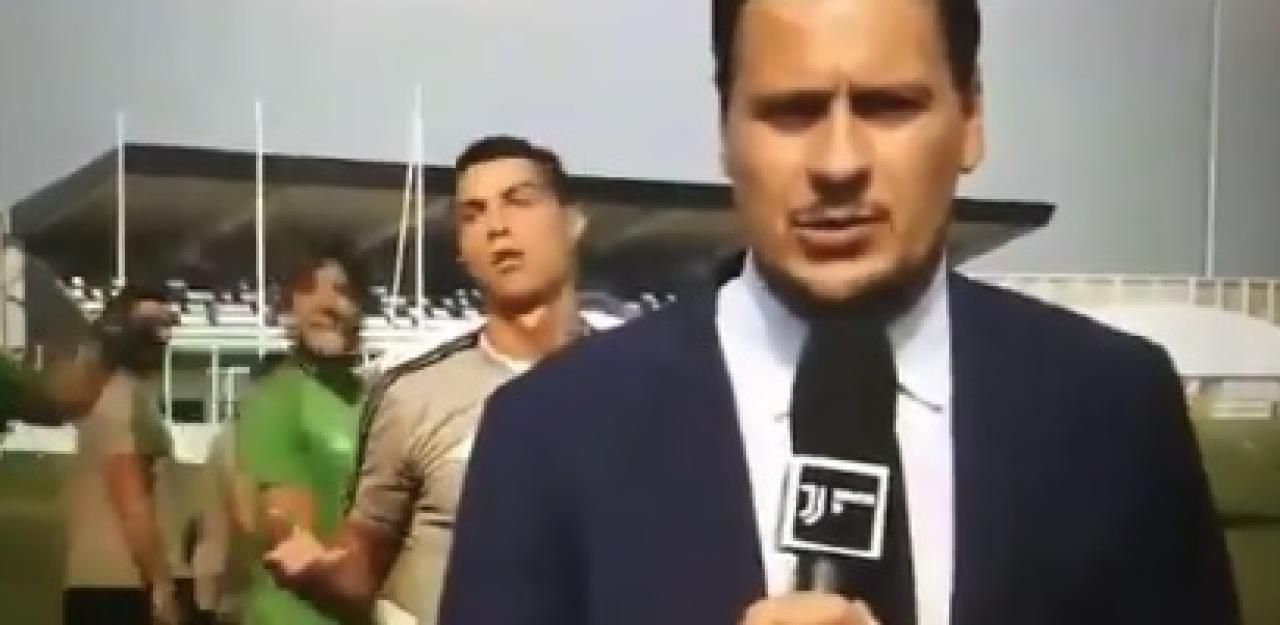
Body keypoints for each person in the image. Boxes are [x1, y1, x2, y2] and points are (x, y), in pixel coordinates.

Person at [438, 1, 1240, 625]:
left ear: (971, 119)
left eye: (889, 106)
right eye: (791, 111)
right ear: (725, 130)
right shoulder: (549, 433)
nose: (838, 162)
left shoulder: (1111, 408)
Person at [261, 135, 591, 625]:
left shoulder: (641, 387)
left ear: (573, 222)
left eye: (519, 201)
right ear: (461, 249)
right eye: (472, 215)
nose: (497, 226)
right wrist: (322, 575)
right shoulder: (412, 397)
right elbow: (363, 561)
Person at [236, 242, 370, 625]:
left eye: (341, 290)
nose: (326, 303)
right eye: (308, 289)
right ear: (289, 310)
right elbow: (294, 543)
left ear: (361, 308)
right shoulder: (276, 398)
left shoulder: (378, 398)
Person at [61, 284, 193, 625]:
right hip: (124, 584)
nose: (164, 338)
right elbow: (131, 499)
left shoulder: (114, 393)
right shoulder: (123, 398)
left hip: (106, 583)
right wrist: (161, 584)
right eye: (153, 327)